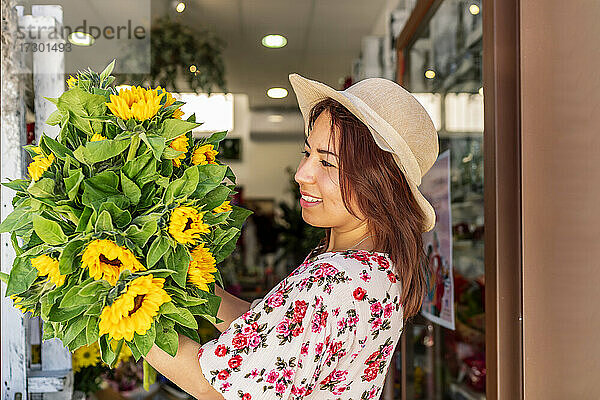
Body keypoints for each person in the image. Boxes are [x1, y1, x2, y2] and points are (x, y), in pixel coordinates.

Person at [144, 73, 439, 399]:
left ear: (379, 182)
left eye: (327, 162)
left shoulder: (334, 281)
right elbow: (273, 338)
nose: (302, 174)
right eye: (307, 153)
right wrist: (196, 286)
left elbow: (214, 386)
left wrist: (127, 305)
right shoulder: (377, 269)